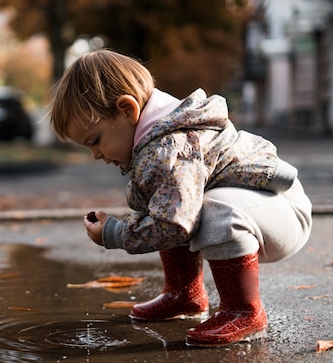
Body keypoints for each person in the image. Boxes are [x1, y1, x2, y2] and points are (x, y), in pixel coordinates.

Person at [48, 49, 312, 347]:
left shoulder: (172, 146)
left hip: (284, 212)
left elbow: (173, 224)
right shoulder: (156, 141)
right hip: (261, 211)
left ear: (127, 109)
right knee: (172, 202)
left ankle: (244, 311)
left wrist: (116, 233)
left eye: (95, 141)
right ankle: (184, 296)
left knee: (208, 212)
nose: (95, 154)